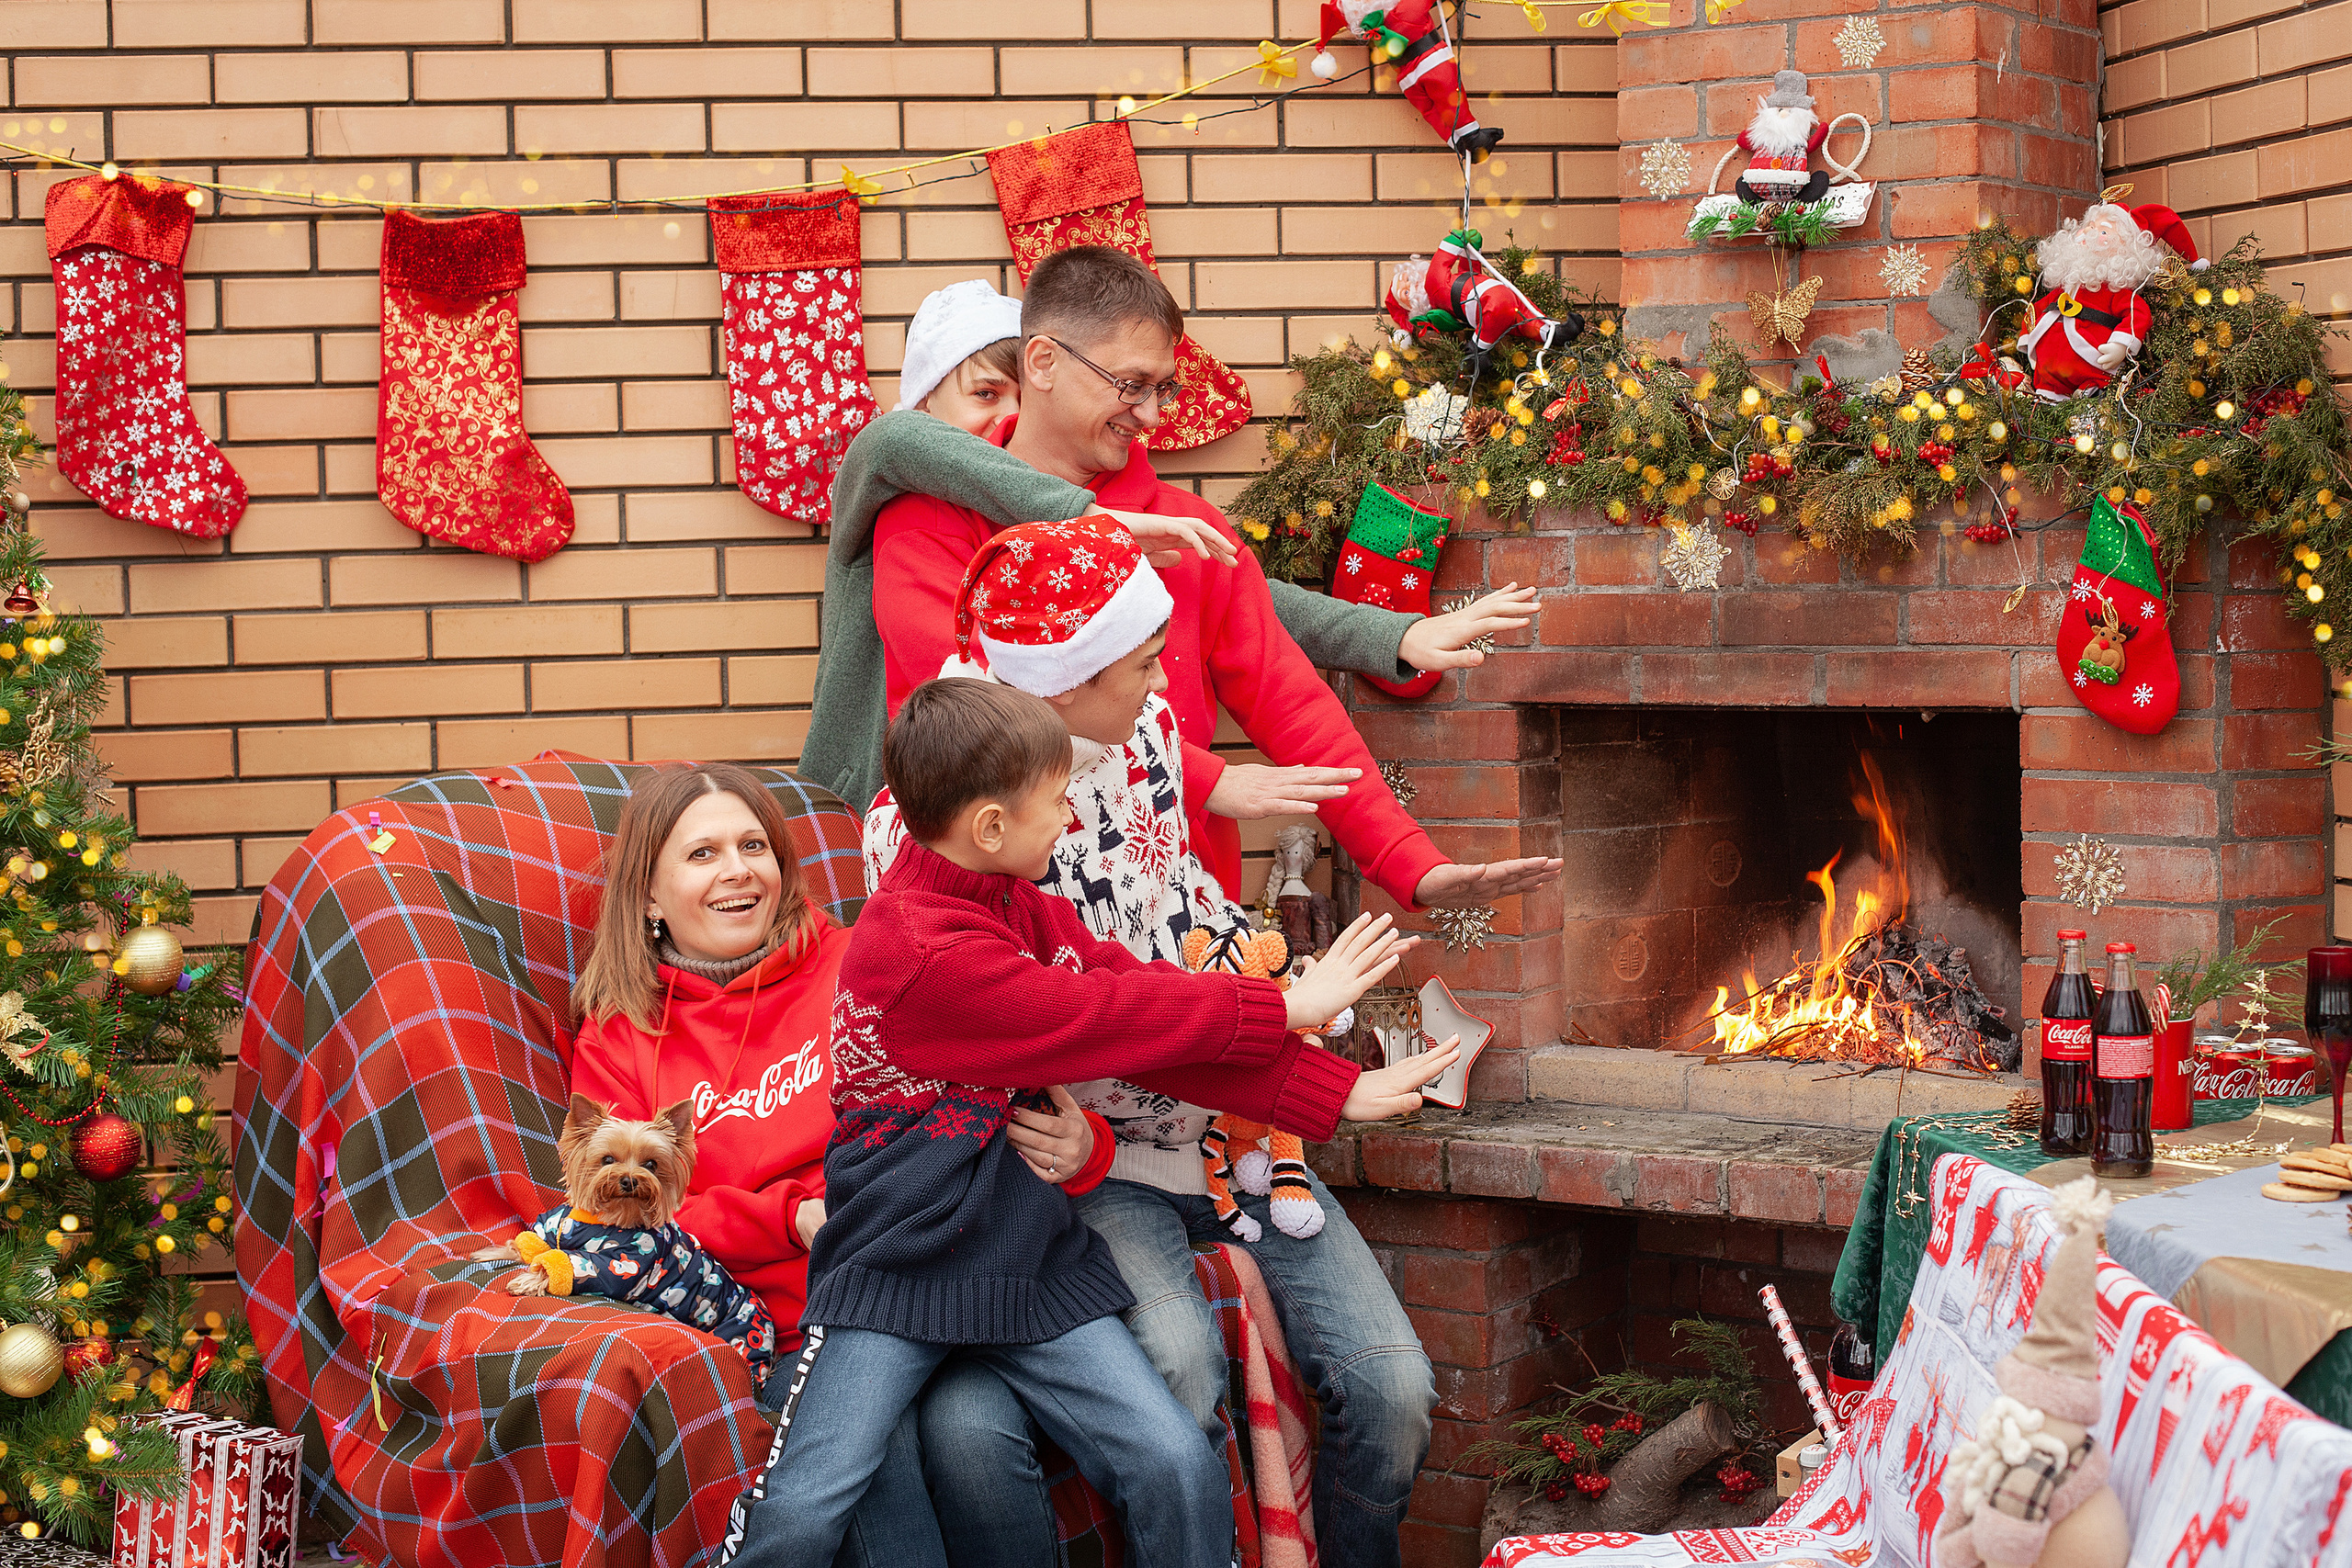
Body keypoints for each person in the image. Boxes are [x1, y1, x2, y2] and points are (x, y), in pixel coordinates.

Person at [721, 678, 1455, 1568]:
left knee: (1176, 1467)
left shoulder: (1013, 904)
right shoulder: (915, 952)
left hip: (1023, 1266)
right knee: (801, 1510)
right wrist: (1287, 1004)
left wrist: (1327, 1092)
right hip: (893, 1277)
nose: (1070, 821)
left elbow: (1143, 1009)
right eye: (1056, 801)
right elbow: (1101, 1015)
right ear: (990, 828)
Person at [865, 517, 1445, 1567]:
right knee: (1176, 1379)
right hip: (1093, 1165)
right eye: (1139, 664)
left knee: (1395, 1389)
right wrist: (1296, 1032)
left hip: (1237, 1125)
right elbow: (1091, 1018)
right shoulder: (945, 827)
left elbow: (1170, 931)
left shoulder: (1138, 735)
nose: (1159, 684)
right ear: (1064, 677)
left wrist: (1311, 1049)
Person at [861, 250, 1561, 914]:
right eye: (1130, 385)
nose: (1152, 415)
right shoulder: (926, 522)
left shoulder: (1185, 527)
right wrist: (1207, 778)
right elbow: (971, 714)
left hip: (1177, 916)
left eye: (1162, 388)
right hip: (993, 919)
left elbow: (1291, 700)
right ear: (1042, 362)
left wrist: (1412, 862)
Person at [566, 761, 1111, 1568]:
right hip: (782, 1329)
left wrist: (1085, 1147)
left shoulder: (866, 962)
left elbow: (1000, 1084)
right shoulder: (620, 1039)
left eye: (753, 844)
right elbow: (629, 1213)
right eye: (703, 853)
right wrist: (790, 1214)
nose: (737, 869)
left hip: (931, 1288)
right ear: (648, 893)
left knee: (975, 1442)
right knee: (875, 1479)